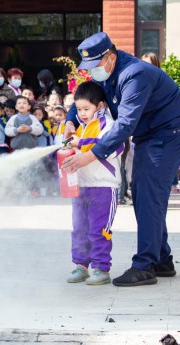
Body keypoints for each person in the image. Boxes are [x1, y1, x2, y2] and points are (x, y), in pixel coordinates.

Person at [62, 32, 180, 286]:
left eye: (95, 66)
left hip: (167, 134)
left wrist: (91, 155)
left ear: (110, 57)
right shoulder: (107, 71)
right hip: (149, 134)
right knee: (143, 192)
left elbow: (125, 125)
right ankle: (161, 259)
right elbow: (89, 97)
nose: (92, 72)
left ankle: (145, 266)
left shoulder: (135, 74)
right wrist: (69, 120)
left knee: (147, 194)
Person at [66, 81, 122, 285]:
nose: (81, 113)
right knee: (79, 227)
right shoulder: (80, 127)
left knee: (99, 229)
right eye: (78, 109)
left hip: (104, 186)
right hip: (82, 185)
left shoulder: (108, 123)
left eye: (86, 109)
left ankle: (100, 268)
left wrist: (79, 143)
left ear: (99, 106)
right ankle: (81, 265)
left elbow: (113, 147)